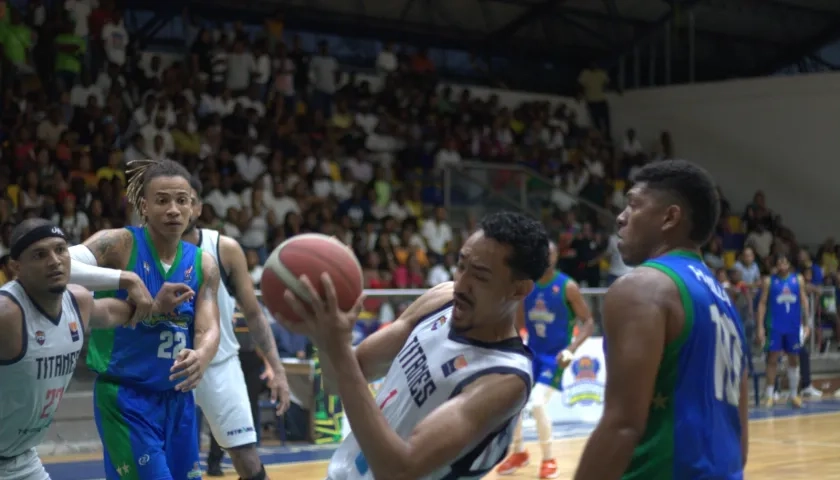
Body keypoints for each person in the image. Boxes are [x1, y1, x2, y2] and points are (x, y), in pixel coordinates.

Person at [278, 211, 549, 479]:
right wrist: (323, 336)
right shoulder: (441, 299)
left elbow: (398, 470)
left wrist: (337, 347)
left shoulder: (505, 379)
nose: (461, 284)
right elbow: (339, 380)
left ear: (519, 290)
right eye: (461, 265)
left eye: (480, 276)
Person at [574, 160, 749, 479]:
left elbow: (622, 426)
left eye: (633, 205)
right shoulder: (725, 302)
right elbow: (741, 442)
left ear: (670, 217)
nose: (621, 217)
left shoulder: (643, 286)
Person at [0, 219, 192, 480]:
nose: (55, 260)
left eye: (60, 249)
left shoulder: (77, 302)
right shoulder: (8, 314)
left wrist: (157, 306)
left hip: (22, 460)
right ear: (16, 267)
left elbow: (115, 312)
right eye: (39, 254)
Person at [67, 159, 222, 480]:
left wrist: (202, 355)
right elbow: (59, 264)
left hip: (178, 400)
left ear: (194, 207)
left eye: (182, 201)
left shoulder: (203, 263)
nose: (173, 210)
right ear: (144, 206)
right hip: (125, 397)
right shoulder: (119, 244)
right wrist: (127, 279)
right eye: (162, 200)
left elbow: (209, 326)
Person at [184, 176, 290, 478]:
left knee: (247, 460)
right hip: (169, 367)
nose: (179, 209)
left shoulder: (224, 248)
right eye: (169, 200)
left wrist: (277, 369)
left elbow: (255, 315)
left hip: (220, 364)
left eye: (187, 200)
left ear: (199, 207)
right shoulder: (144, 250)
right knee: (172, 463)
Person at [497, 241, 595, 479]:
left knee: (538, 403)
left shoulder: (567, 287)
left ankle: (549, 459)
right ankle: (519, 452)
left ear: (555, 257)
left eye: (548, 254)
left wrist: (571, 349)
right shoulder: (527, 287)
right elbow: (520, 323)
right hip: (533, 353)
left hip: (556, 357)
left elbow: (589, 322)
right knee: (513, 401)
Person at [757, 254, 809, 408]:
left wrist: (807, 323)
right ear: (776, 265)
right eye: (779, 262)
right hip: (775, 326)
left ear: (789, 264)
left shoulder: (798, 279)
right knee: (772, 359)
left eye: (784, 262)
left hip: (793, 325)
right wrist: (760, 326)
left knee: (794, 359)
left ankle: (794, 395)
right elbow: (762, 303)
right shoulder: (769, 281)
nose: (781, 265)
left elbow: (804, 301)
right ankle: (769, 395)